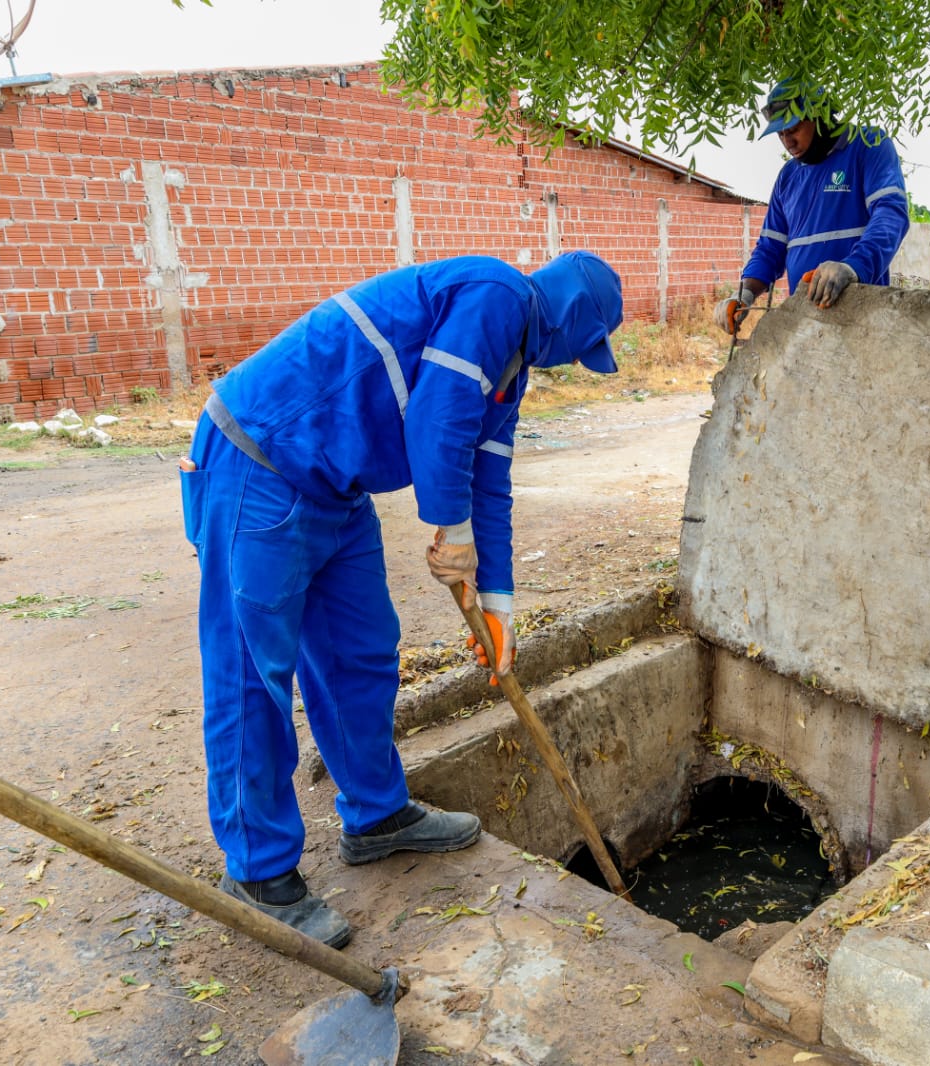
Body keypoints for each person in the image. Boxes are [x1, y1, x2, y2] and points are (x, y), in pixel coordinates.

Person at [179, 251, 624, 947]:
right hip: (260, 462)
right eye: (583, 347)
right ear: (569, 318)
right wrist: (452, 529)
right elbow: (439, 420)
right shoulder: (495, 295)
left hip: (334, 488)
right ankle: (258, 874)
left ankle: (376, 815)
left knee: (361, 654)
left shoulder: (510, 372)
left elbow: (490, 478)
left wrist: (499, 606)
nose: (575, 361)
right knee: (252, 679)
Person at [714, 79, 909, 334]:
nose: (787, 141)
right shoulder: (788, 176)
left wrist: (853, 267)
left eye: (793, 129)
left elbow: (890, 215)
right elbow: (770, 248)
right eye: (781, 134)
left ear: (820, 116)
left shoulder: (867, 146)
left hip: (865, 322)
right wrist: (744, 294)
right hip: (807, 326)